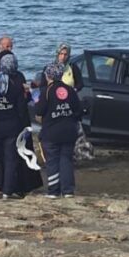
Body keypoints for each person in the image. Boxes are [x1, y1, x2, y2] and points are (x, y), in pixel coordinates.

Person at [0, 51, 32, 199]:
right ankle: (7, 192)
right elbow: (21, 107)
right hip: (12, 125)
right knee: (11, 159)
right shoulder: (16, 82)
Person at [36, 63, 82, 198]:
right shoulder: (70, 90)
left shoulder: (47, 91)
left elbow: (39, 111)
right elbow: (78, 110)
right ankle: (68, 191)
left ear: (48, 76)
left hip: (51, 132)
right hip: (69, 131)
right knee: (66, 160)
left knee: (52, 161)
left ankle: (53, 191)